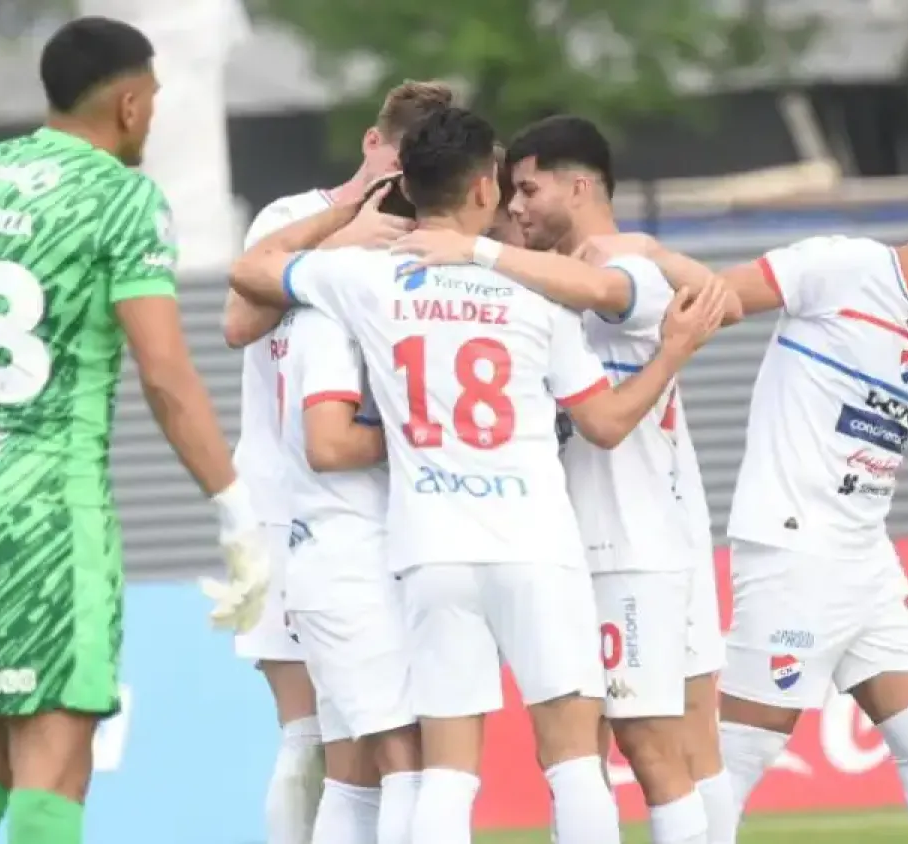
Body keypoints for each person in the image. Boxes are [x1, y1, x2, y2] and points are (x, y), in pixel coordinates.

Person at [228, 106, 731, 844]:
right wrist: (674, 352)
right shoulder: (535, 293)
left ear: (407, 186)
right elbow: (604, 422)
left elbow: (251, 270)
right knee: (573, 762)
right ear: (483, 192)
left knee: (446, 773)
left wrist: (346, 213)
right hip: (536, 546)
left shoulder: (365, 278)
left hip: (431, 551)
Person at [0, 17, 267, 844]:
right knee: (55, 766)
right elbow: (164, 372)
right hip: (44, 504)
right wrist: (237, 511)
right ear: (129, 104)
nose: (153, 115)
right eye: (153, 99)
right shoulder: (121, 198)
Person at [583, 182, 908, 843]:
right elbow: (720, 299)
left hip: (866, 555)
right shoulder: (841, 266)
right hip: (794, 548)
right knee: (739, 755)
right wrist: (650, 252)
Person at [391, 113, 739, 844]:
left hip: (626, 540)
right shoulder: (540, 277)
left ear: (578, 187)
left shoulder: (622, 266)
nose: (515, 207)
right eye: (508, 192)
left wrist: (474, 248)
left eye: (528, 190)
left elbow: (617, 292)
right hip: (612, 537)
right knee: (634, 748)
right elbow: (717, 298)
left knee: (648, 747)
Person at [219, 79, 453, 844]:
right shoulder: (290, 217)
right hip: (279, 505)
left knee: (378, 737)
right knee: (309, 733)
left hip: (383, 511)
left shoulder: (426, 237)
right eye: (397, 161)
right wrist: (339, 238)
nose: (401, 182)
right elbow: (237, 323)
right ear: (371, 143)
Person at [273, 298, 422, 844]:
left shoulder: (310, 318)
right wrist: (427, 433)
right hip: (352, 563)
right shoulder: (330, 324)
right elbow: (330, 444)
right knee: (408, 759)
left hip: (329, 556)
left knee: (351, 773)